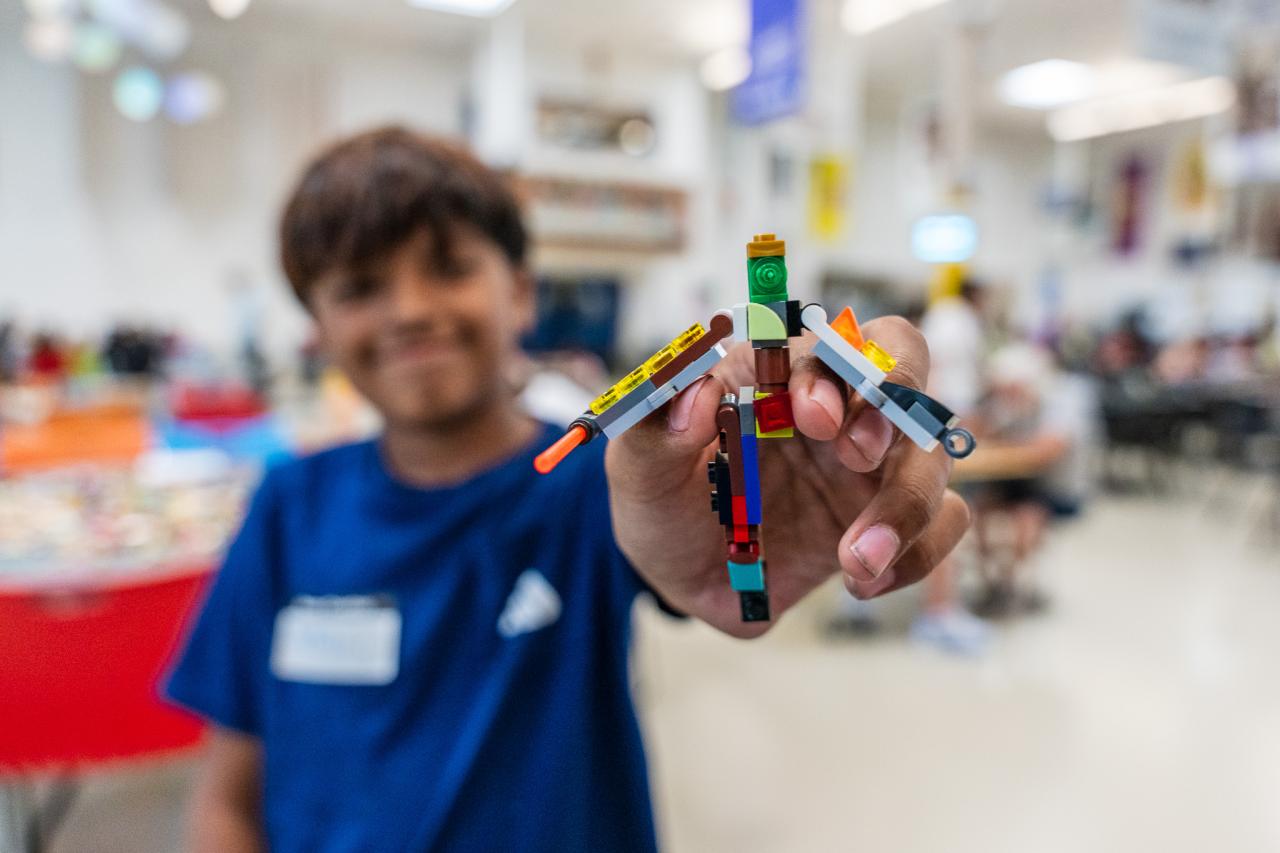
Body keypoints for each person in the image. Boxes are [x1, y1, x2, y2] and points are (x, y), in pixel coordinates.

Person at [164, 127, 968, 853]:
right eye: (359, 287)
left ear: (520, 291)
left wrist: (753, 521)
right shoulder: (288, 509)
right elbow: (227, 794)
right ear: (317, 326)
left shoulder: (604, 484)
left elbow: (695, 564)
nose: (409, 310)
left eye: (448, 268)